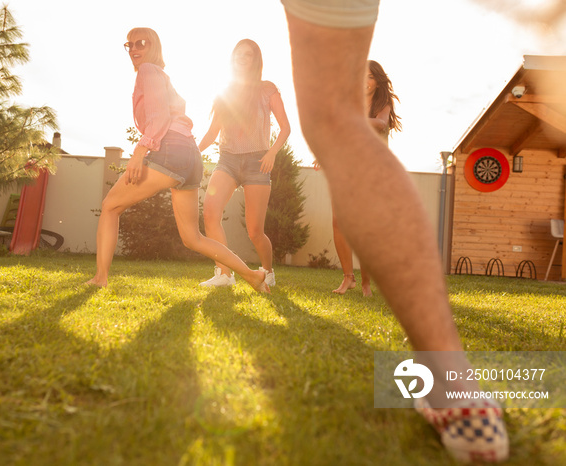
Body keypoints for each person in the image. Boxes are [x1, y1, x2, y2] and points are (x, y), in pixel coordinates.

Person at [280, 0, 508, 462]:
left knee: (333, 121)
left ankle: (450, 380)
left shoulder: (379, 102)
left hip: (370, 163)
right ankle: (452, 383)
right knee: (331, 122)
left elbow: (370, 126)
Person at [85, 28, 268, 292]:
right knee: (193, 238)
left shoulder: (148, 71)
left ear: (154, 47)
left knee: (110, 206)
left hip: (172, 151)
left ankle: (100, 278)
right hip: (189, 155)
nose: (134, 49)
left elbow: (159, 119)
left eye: (141, 43)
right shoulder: (162, 76)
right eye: (130, 45)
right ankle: (252, 275)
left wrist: (139, 154)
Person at [197, 39, 290, 288]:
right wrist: (193, 152)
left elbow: (285, 128)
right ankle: (224, 274)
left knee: (254, 231)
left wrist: (272, 153)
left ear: (255, 60)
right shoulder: (226, 91)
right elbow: (212, 131)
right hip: (227, 160)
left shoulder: (267, 89)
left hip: (257, 162)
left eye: (247, 54)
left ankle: (268, 271)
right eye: (238, 53)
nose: (242, 57)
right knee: (210, 213)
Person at [328, 59, 401, 297]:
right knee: (338, 221)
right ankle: (348, 278)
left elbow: (380, 124)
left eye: (370, 77)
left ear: (378, 82)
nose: (365, 81)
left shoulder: (383, 105)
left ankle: (366, 283)